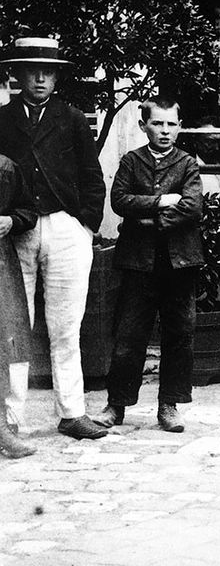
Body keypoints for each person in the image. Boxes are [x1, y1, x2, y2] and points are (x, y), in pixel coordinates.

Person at [0, 37, 107, 440]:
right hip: (15, 231)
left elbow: (91, 177)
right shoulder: (3, 120)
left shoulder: (73, 119)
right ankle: (11, 417)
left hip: (66, 228)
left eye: (47, 71)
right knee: (13, 327)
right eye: (31, 70)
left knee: (66, 327)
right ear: (18, 75)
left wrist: (86, 224)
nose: (40, 78)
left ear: (57, 76)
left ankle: (72, 413)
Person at [94, 98, 203, 433]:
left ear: (180, 126)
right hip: (137, 262)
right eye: (157, 124)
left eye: (171, 124)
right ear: (144, 126)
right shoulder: (131, 161)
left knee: (179, 334)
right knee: (128, 334)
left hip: (179, 262)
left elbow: (193, 207)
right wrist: (160, 202)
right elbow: (120, 201)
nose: (165, 131)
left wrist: (150, 220)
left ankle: (169, 405)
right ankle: (116, 405)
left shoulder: (187, 164)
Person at [0, 152, 37, 458]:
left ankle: (1, 429)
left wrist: (11, 220)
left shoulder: (5, 168)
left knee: (1, 344)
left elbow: (28, 211)